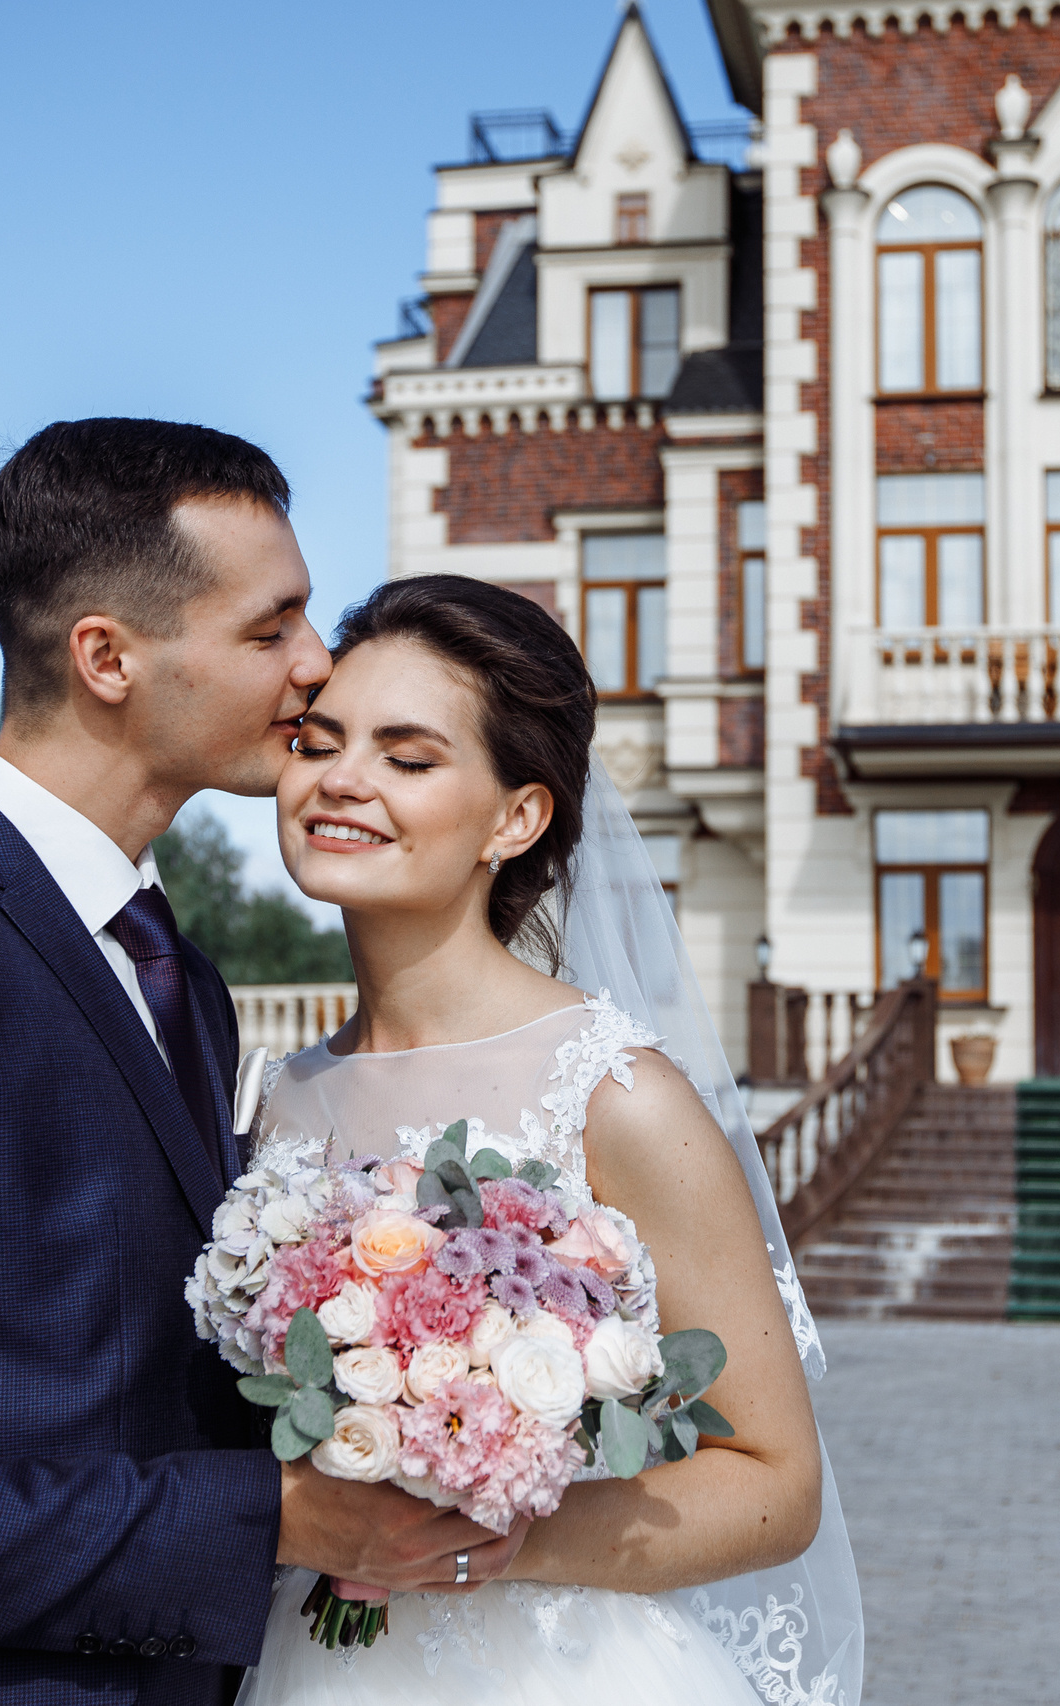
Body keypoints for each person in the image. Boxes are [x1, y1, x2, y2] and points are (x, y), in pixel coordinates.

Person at [0, 420, 529, 1706]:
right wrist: (273, 1519)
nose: (316, 665)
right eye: (270, 629)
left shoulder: (180, 978)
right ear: (108, 657)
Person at [240, 574, 864, 1705]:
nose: (340, 780)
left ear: (515, 817)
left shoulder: (615, 1092)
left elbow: (777, 1484)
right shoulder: (276, 1096)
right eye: (317, 741)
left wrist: (490, 1535)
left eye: (408, 757)